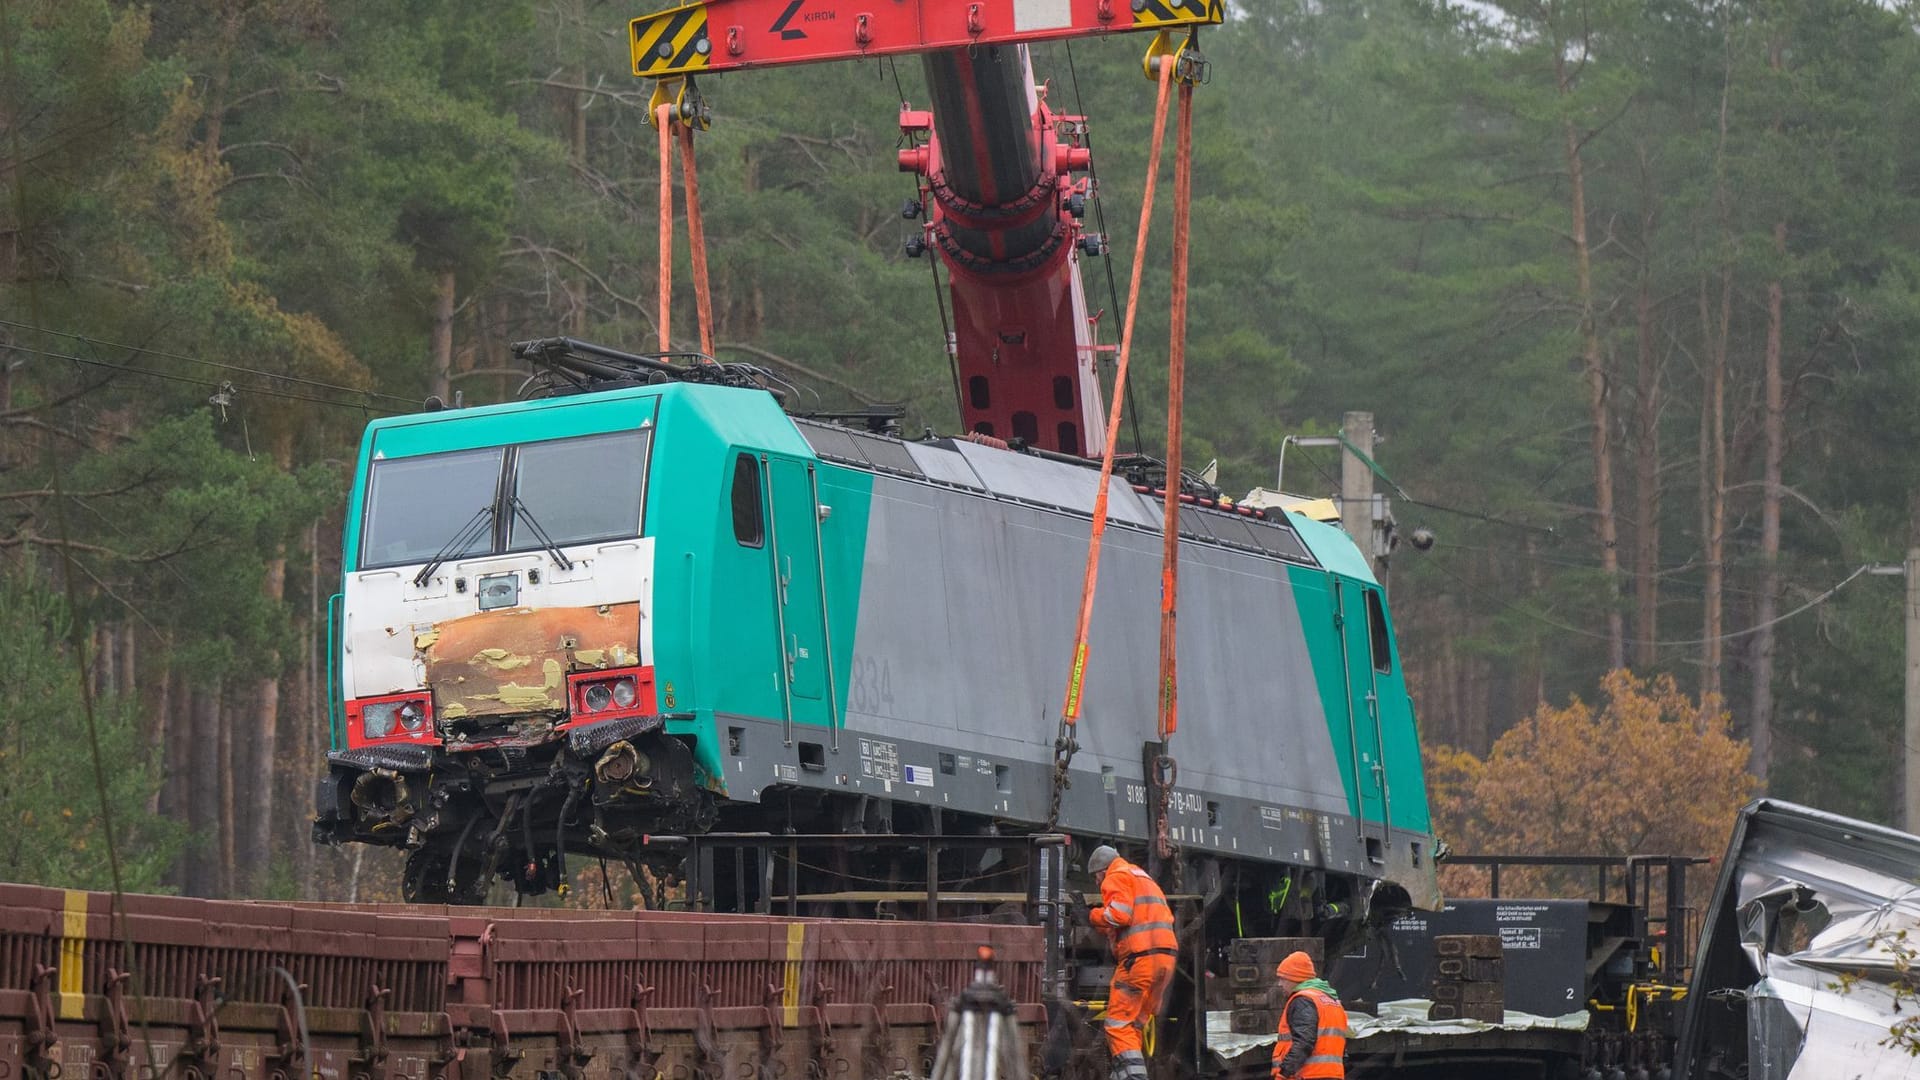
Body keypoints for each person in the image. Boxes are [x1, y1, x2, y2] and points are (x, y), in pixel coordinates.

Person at [1087, 844, 1177, 1080]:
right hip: (1164, 961)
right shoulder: (1142, 876)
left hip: (1140, 962)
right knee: (1134, 1025)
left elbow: (1119, 915)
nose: (1097, 883)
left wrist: (1093, 915)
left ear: (1102, 870)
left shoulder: (1115, 876)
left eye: (1096, 876)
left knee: (1117, 1026)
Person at [1270, 950, 1349, 1080]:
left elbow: (1304, 1042)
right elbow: (1342, 1048)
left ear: (1295, 978)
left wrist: (1283, 1074)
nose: (1280, 984)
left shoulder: (1303, 1000)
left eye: (1283, 979)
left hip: (1307, 1075)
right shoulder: (1331, 1000)